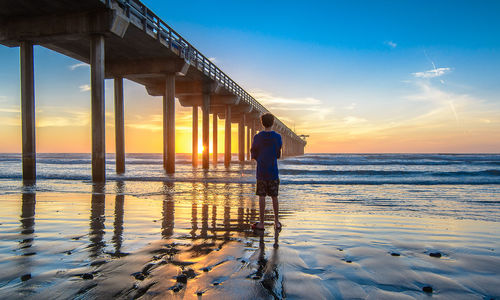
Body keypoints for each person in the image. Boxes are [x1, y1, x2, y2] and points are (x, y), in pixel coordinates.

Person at [250, 113, 282, 230]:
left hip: (261, 171)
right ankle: (277, 222)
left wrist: (259, 159)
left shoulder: (257, 137)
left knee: (261, 196)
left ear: (262, 123)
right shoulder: (278, 137)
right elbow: (278, 154)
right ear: (273, 123)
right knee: (274, 196)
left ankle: (262, 223)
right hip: (273, 171)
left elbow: (253, 152)